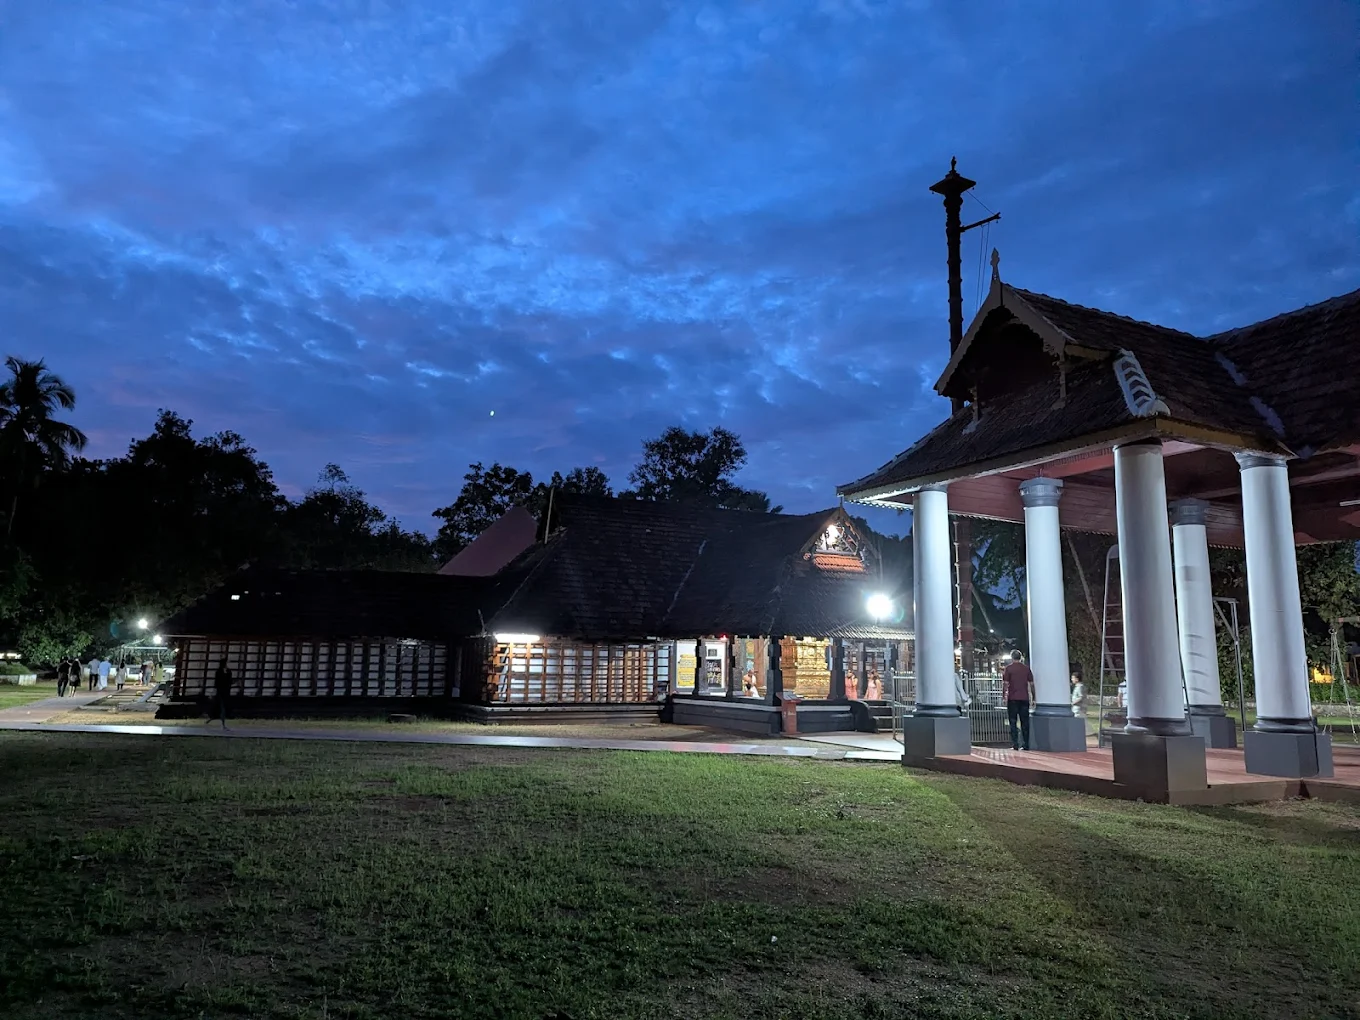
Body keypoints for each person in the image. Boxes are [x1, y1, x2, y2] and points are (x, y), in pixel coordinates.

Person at [1001, 650, 1034, 751]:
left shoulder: (1008, 669)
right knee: (1025, 722)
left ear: (1011, 657)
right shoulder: (1026, 669)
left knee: (1013, 721)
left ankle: (1015, 744)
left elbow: (1005, 684)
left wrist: (1003, 696)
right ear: (1021, 658)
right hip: (1024, 698)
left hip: (1013, 698)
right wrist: (1034, 697)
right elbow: (1031, 684)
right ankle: (1026, 744)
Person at [208, 658, 232, 729]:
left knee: (222, 707)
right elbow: (217, 682)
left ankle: (219, 721)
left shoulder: (228, 671)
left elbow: (229, 681)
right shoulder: (219, 671)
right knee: (221, 707)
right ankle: (222, 723)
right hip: (221, 691)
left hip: (226, 692)